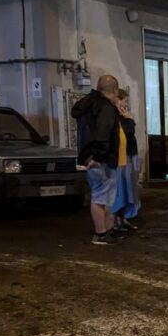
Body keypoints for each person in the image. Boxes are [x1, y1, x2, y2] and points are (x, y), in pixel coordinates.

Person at [71, 75, 122, 245]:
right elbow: (103, 132)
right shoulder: (106, 108)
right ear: (114, 91)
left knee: (102, 195)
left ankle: (106, 231)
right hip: (101, 159)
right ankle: (101, 233)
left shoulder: (88, 104)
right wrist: (99, 156)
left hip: (90, 155)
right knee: (101, 196)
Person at [111, 90, 141, 233]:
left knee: (128, 189)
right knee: (121, 190)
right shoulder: (116, 117)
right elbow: (128, 132)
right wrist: (129, 119)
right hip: (121, 159)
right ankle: (116, 221)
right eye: (124, 101)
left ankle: (123, 219)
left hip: (128, 155)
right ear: (116, 100)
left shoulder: (120, 116)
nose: (125, 104)